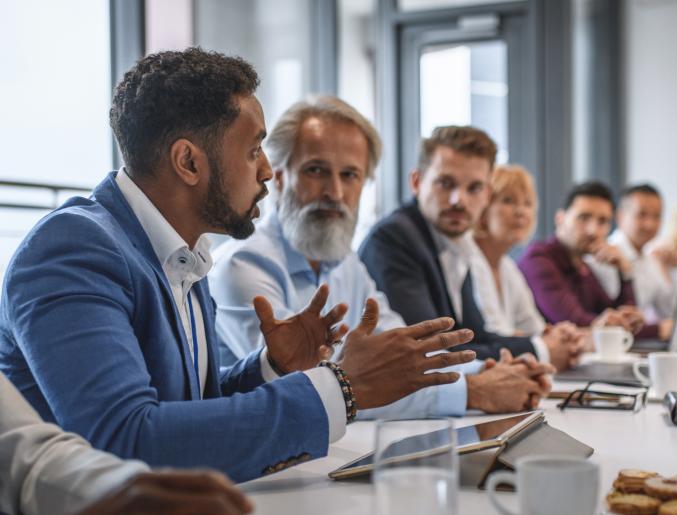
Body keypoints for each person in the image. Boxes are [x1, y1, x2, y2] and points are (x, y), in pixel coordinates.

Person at [0, 49, 476, 484]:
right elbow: (125, 442)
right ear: (189, 161)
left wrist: (270, 368)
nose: (268, 170)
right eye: (253, 150)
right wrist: (341, 387)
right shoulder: (74, 248)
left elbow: (186, 410)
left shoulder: (182, 252)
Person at [209, 97, 553, 416]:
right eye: (316, 170)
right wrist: (472, 390)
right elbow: (309, 388)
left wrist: (495, 371)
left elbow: (402, 351)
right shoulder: (244, 265)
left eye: (350, 175)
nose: (335, 192)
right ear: (280, 177)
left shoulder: (346, 262)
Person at [359, 125, 577, 363]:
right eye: (445, 183)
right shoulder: (394, 239)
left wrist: (541, 343)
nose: (459, 200)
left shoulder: (457, 243)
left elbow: (473, 336)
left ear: (486, 194)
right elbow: (429, 350)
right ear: (417, 182)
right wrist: (540, 350)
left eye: (474, 188)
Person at [0, 371, 253, 515]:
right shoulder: (63, 277)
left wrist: (122, 487)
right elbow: (130, 434)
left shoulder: (190, 282)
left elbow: (30, 461)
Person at [470, 164, 584, 370]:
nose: (521, 212)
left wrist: (558, 336)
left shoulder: (507, 266)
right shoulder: (469, 260)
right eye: (508, 201)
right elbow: (492, 335)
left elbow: (533, 327)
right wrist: (548, 342)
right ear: (483, 208)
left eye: (528, 203)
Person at [518, 181, 644, 333]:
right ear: (560, 219)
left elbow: (615, 318)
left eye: (602, 221)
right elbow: (575, 321)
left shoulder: (582, 267)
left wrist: (625, 272)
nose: (593, 231)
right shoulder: (538, 260)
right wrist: (659, 329)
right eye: (583, 218)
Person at [603, 184, 674, 340]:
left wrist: (666, 268)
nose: (650, 224)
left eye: (657, 216)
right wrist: (659, 329)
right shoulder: (605, 257)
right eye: (641, 215)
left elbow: (668, 311)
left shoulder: (651, 260)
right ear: (620, 217)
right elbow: (610, 319)